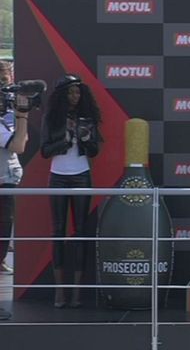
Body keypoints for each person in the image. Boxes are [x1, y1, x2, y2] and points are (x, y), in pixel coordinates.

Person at [40, 74, 102, 308]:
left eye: (77, 92)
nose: (75, 96)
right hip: (57, 177)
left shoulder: (87, 117)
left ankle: (76, 292)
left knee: (81, 231)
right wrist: (65, 141)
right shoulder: (52, 118)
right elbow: (44, 151)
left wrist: (85, 140)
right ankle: (59, 291)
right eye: (70, 92)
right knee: (58, 231)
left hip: (81, 175)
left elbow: (94, 151)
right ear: (61, 96)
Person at [0, 60, 31, 320]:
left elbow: (22, 140)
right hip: (2, 181)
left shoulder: (6, 114)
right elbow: (18, 145)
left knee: (3, 239)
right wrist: (23, 115)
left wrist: (19, 115)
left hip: (7, 179)